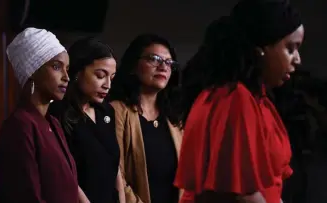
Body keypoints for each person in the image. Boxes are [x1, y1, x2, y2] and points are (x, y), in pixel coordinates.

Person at [174, 0, 304, 202]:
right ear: (262, 47)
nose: (297, 60)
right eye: (290, 48)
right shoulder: (234, 99)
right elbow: (243, 195)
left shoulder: (256, 99)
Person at [0, 27, 89, 203]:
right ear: (32, 70)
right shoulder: (19, 126)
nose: (66, 77)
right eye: (56, 67)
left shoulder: (52, 123)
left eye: (67, 69)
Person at [49, 37, 125, 203]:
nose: (107, 85)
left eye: (111, 78)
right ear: (77, 72)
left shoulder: (107, 111)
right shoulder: (57, 113)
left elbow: (113, 164)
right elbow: (65, 173)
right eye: (100, 75)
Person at [109, 34, 183, 203]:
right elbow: (116, 175)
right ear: (134, 66)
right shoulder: (117, 111)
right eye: (154, 59)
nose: (163, 67)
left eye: (169, 62)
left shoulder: (174, 120)